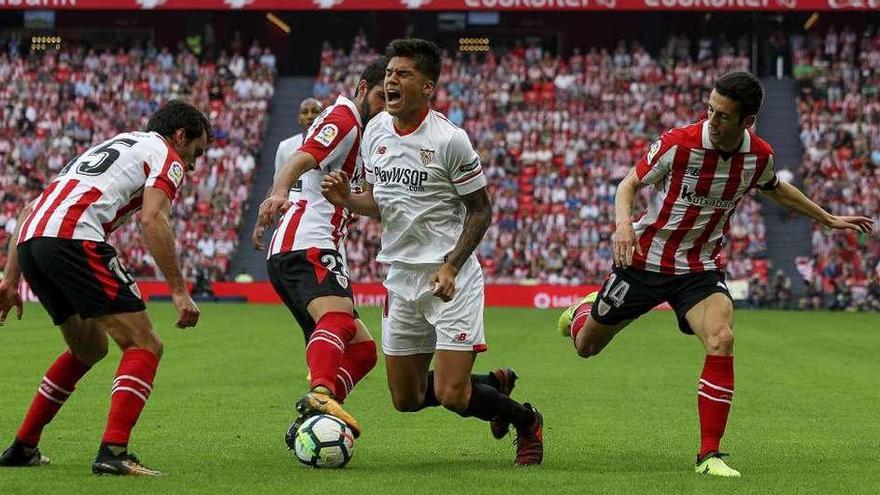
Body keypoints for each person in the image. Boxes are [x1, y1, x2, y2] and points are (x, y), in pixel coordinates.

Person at [558, 71, 874, 477]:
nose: (712, 120)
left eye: (723, 115)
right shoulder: (677, 143)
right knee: (585, 347)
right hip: (644, 261)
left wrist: (827, 218)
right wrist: (623, 225)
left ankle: (709, 456)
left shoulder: (758, 155)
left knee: (722, 339)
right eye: (710, 109)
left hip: (699, 267)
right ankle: (583, 311)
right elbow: (628, 185)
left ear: (747, 121)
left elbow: (775, 187)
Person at [321, 39, 543, 466]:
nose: (391, 80)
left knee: (451, 395)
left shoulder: (449, 140)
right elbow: (380, 201)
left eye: (403, 74)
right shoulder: (375, 133)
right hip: (401, 279)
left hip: (449, 280)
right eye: (389, 74)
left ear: (427, 87)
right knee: (405, 398)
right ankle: (491, 383)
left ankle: (526, 420)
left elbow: (481, 211)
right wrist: (348, 200)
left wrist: (452, 265)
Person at [0, 100, 211, 476]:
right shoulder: (166, 155)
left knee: (89, 347)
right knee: (145, 343)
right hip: (74, 238)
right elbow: (152, 218)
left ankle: (23, 446)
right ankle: (114, 451)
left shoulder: (112, 145)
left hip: (33, 242)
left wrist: (10, 278)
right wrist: (179, 290)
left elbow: (28, 210)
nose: (193, 164)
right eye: (196, 151)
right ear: (180, 135)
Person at [255, 58, 387, 440]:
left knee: (362, 351)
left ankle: (313, 420)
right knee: (341, 320)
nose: (382, 106)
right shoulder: (344, 118)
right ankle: (321, 393)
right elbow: (303, 156)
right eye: (379, 96)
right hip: (308, 240)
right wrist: (278, 192)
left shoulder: (367, 133)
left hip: (307, 243)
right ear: (363, 89)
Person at [251, 98, 323, 250]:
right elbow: (277, 185)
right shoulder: (285, 147)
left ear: (323, 116)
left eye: (315, 111)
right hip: (292, 222)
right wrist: (260, 224)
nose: (310, 116)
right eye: (305, 112)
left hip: (321, 224)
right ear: (299, 118)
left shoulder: (332, 146)